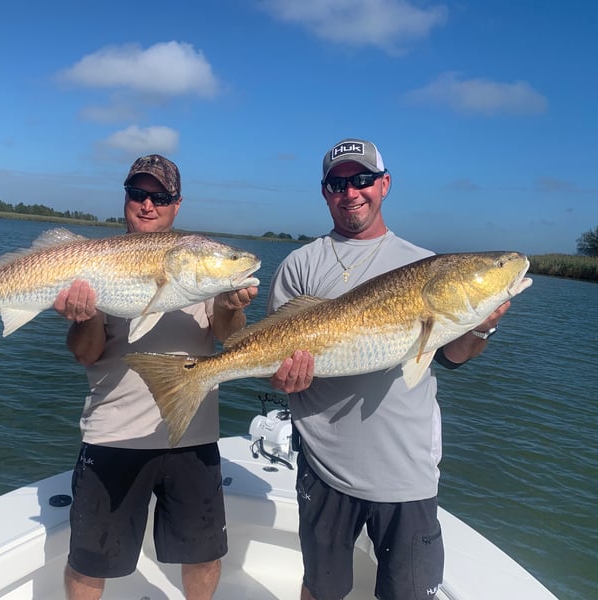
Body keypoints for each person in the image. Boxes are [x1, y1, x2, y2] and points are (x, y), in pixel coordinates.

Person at [267, 138, 512, 600]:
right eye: (338, 184)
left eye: (362, 179)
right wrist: (280, 378)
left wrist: (481, 328)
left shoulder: (424, 264)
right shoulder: (299, 265)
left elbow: (453, 356)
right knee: (320, 589)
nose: (351, 192)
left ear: (384, 184)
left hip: (407, 471)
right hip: (323, 467)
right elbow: (274, 363)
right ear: (324, 192)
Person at [53, 154, 257, 600]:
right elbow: (86, 354)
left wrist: (229, 305)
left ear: (177, 204)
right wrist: (86, 315)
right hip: (114, 436)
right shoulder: (95, 261)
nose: (148, 205)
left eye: (161, 197)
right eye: (138, 194)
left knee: (204, 556)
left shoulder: (198, 260)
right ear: (125, 198)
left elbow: (229, 338)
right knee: (88, 563)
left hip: (192, 435)